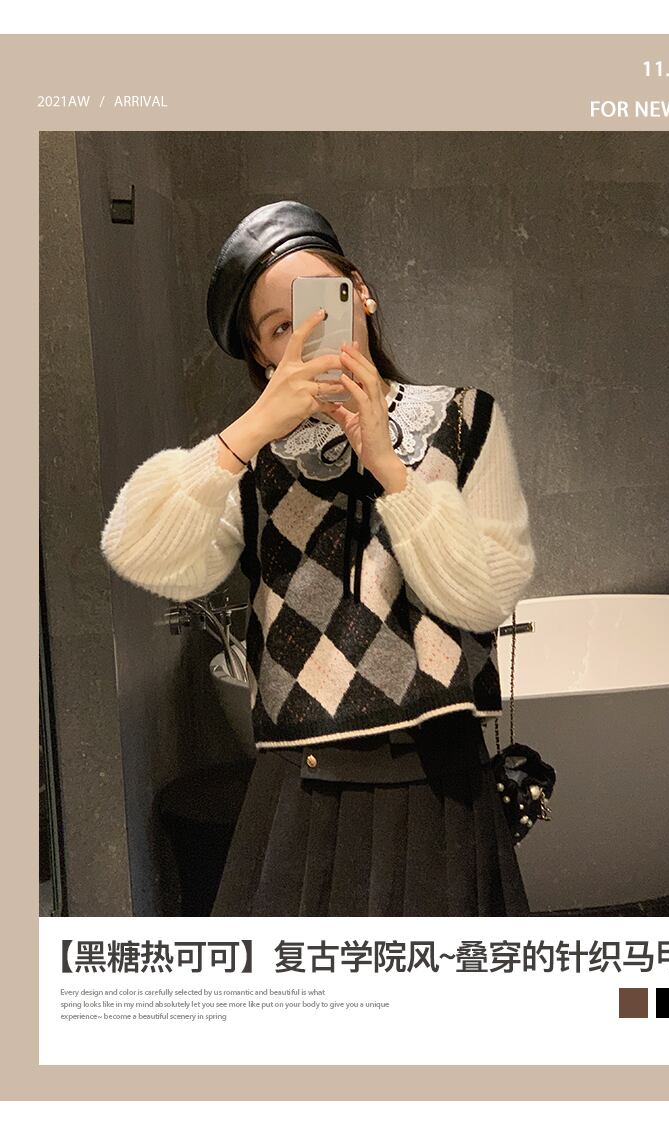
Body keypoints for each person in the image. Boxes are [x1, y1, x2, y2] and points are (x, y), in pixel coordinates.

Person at [101, 199, 537, 917]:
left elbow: (485, 597)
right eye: (281, 327)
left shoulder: (466, 419)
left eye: (319, 303)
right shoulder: (253, 462)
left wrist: (391, 470)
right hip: (301, 797)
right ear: (262, 356)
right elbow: (136, 550)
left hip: (442, 786)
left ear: (359, 291)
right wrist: (247, 433)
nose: (308, 333)